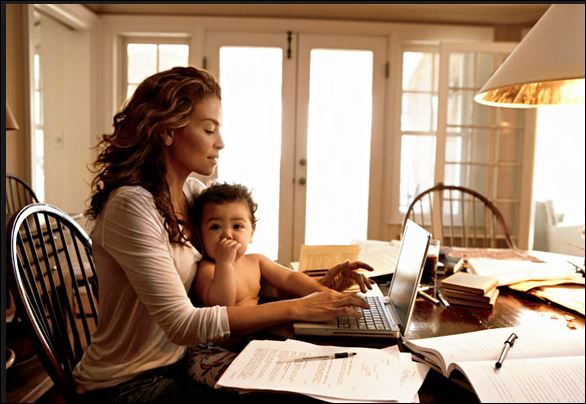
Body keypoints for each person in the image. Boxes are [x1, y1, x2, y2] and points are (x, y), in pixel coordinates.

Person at [73, 66, 374, 402]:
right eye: (208, 129)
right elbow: (182, 323)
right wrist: (299, 308)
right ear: (167, 131)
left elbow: (238, 271)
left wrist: (323, 288)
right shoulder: (132, 205)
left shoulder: (191, 193)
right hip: (127, 382)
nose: (221, 142)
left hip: (180, 359)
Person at [185, 182, 374, 387]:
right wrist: (224, 263)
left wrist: (325, 292)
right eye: (215, 227)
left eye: (237, 226)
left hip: (254, 342)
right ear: (200, 235)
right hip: (216, 349)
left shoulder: (256, 261)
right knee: (257, 385)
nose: (227, 234)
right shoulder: (206, 269)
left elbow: (289, 278)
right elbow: (222, 305)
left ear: (252, 232)